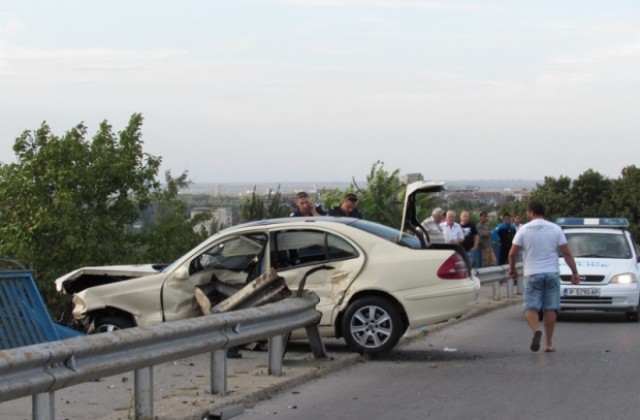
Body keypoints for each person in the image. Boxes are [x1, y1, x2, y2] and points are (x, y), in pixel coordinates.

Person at [508, 200, 580, 353]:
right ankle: (548, 343)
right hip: (552, 272)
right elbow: (566, 253)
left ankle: (535, 331)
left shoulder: (524, 229)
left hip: (532, 272)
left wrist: (512, 269)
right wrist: (574, 272)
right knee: (550, 308)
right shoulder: (555, 229)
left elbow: (512, 254)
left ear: (530, 212)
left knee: (530, 307)